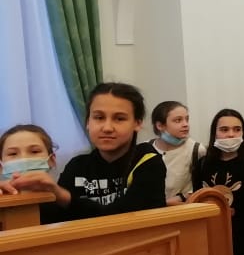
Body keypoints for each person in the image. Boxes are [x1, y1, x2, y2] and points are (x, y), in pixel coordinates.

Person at [1, 83, 166, 221]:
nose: (107, 128)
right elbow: (57, 219)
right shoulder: (77, 166)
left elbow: (126, 218)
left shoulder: (148, 161)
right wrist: (17, 196)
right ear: (88, 122)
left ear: (137, 123)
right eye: (99, 117)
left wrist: (63, 196)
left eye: (119, 118)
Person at [193, 108, 244, 255]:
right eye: (224, 130)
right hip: (208, 227)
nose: (231, 134)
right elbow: (198, 198)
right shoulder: (203, 164)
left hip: (242, 232)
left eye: (237, 129)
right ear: (214, 133)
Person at [149, 100, 204, 205]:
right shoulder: (145, 148)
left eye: (187, 119)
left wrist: (182, 197)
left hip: (182, 209)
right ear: (160, 125)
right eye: (178, 120)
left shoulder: (196, 149)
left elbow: (202, 187)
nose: (185, 124)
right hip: (150, 210)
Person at [0, 124, 58, 195]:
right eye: (13, 153)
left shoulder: (61, 197)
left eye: (35, 151)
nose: (24, 159)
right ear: (1, 166)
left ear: (51, 160)